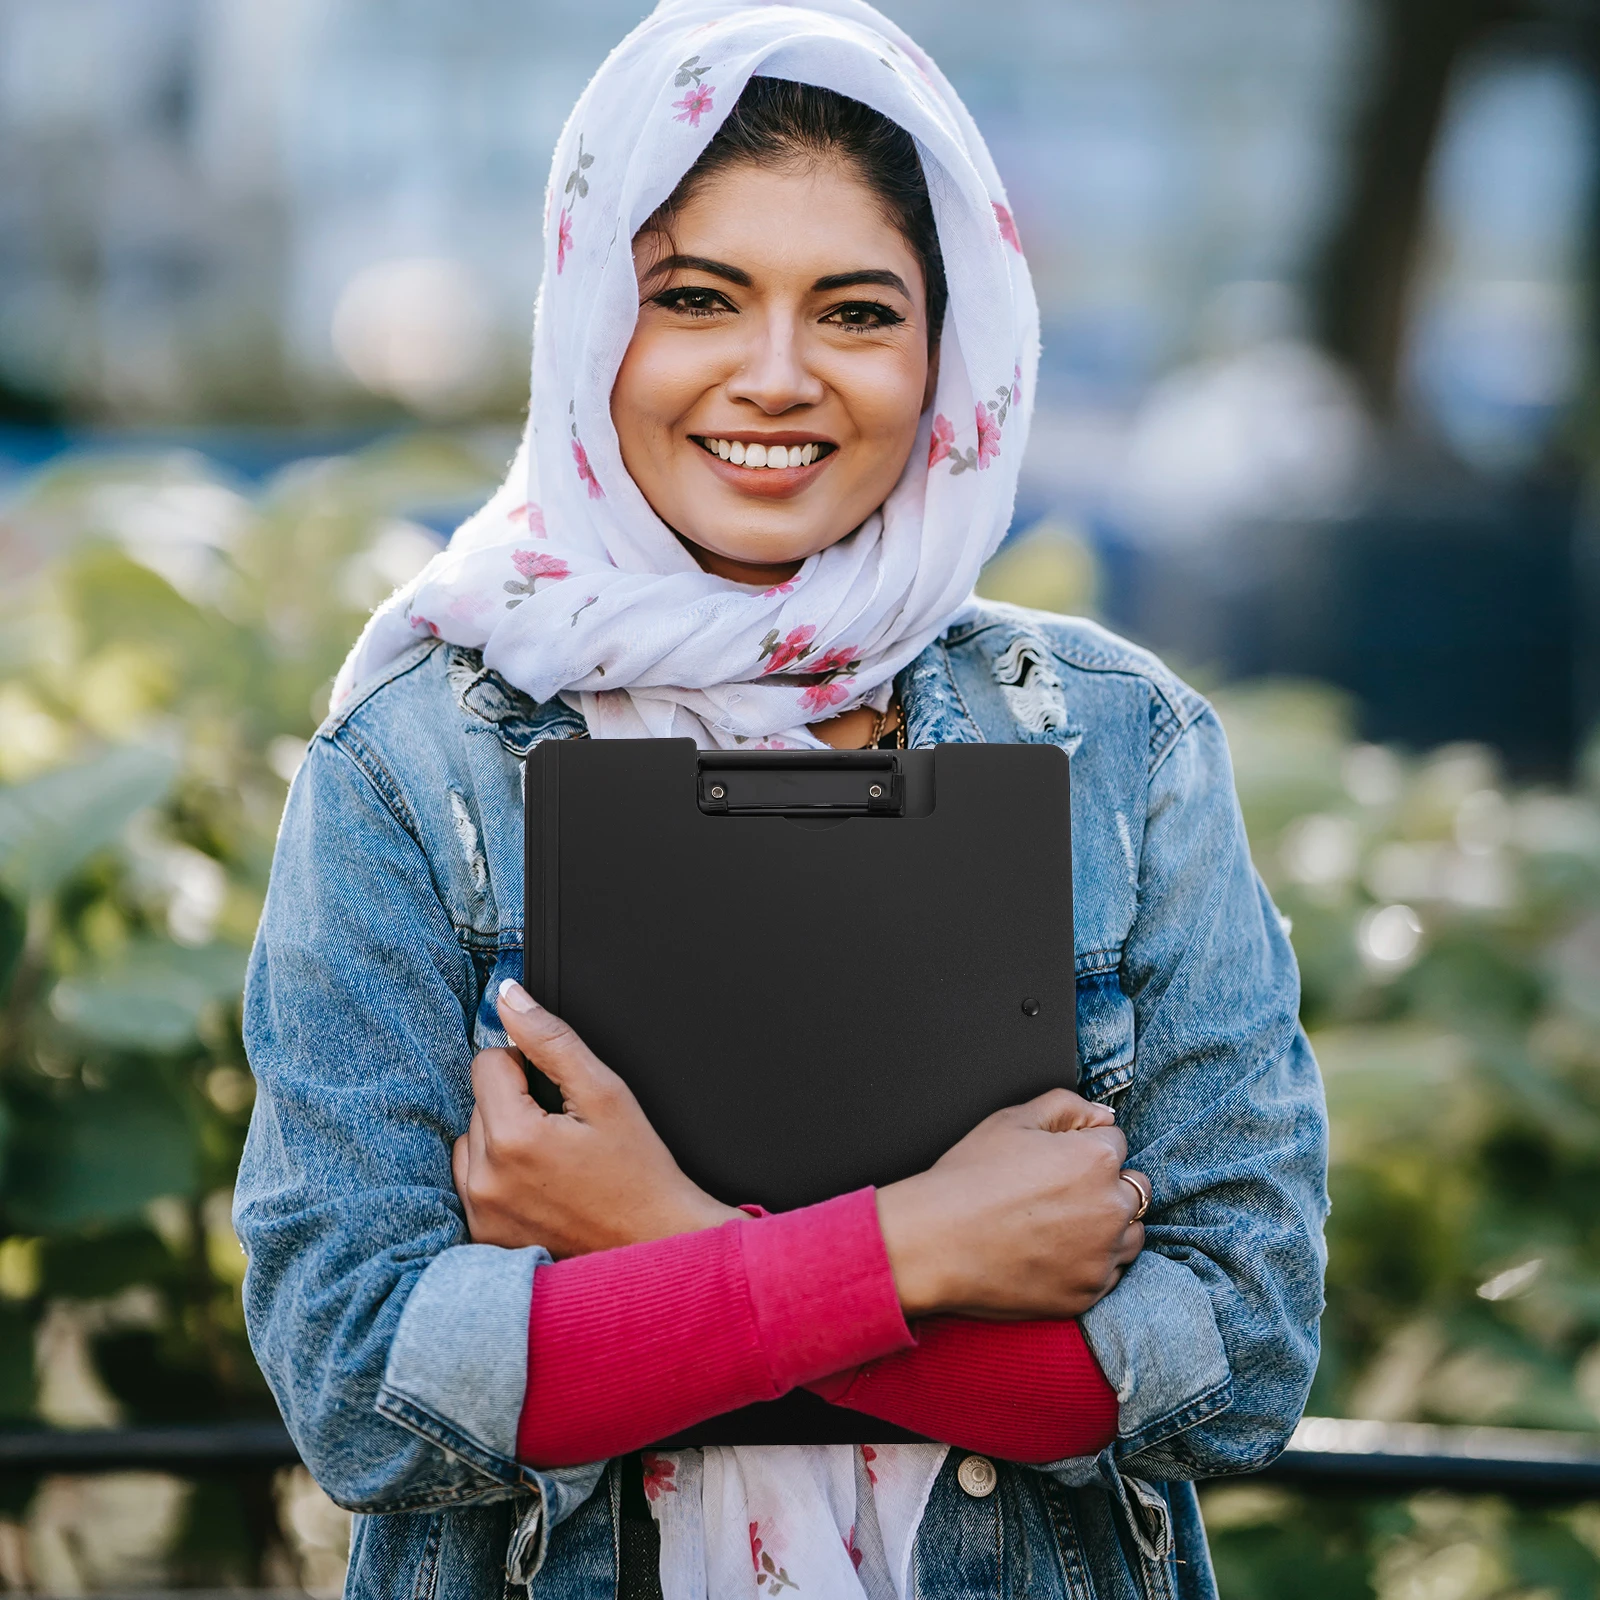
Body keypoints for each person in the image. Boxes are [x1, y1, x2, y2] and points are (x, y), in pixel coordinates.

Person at [234, 3, 1329, 1597]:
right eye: (695, 297)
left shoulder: (1124, 743)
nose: (775, 375)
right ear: (593, 314)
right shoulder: (412, 762)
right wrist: (930, 1256)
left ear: (952, 353)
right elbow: (363, 1392)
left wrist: (656, 1238)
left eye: (857, 312)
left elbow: (1236, 1366)